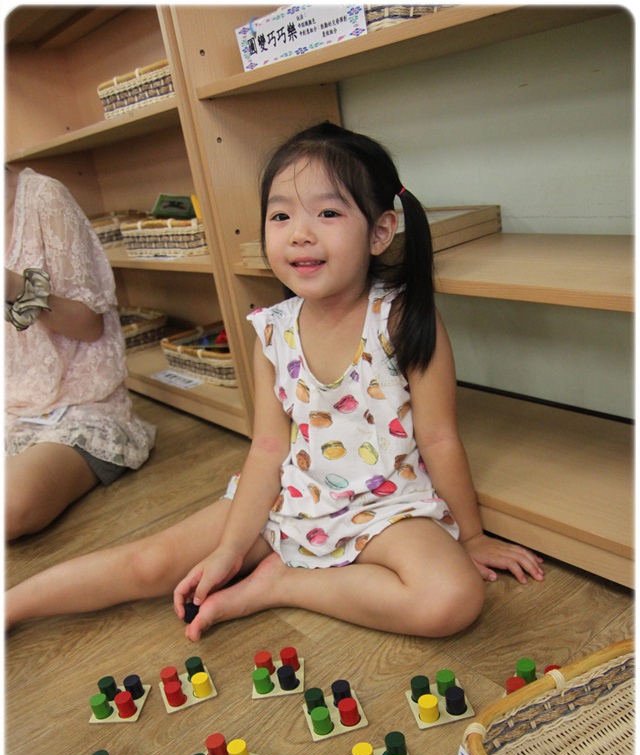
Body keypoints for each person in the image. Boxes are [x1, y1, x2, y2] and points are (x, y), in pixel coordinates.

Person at [5, 123, 543, 636]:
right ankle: (12, 606)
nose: (300, 234)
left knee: (450, 597)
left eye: (327, 213)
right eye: (280, 216)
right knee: (150, 564)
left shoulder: (400, 319)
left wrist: (471, 535)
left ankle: (281, 585)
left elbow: (440, 437)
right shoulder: (272, 330)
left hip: (386, 509)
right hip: (290, 498)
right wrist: (230, 549)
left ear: (380, 232)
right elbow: (267, 449)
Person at [4, 165, 156, 540]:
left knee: (9, 508)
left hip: (77, 409)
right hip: (10, 406)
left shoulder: (44, 196)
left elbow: (88, 325)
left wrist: (13, 286)